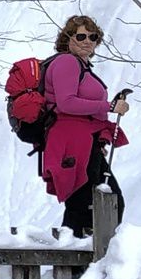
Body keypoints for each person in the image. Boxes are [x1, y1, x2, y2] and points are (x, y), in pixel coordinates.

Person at [41, 14, 128, 237]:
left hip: (83, 142)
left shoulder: (81, 66)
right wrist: (109, 106)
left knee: (94, 203)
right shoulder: (67, 62)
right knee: (87, 203)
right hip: (72, 143)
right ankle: (76, 255)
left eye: (93, 37)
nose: (88, 41)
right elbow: (66, 103)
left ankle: (76, 252)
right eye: (81, 36)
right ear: (68, 38)